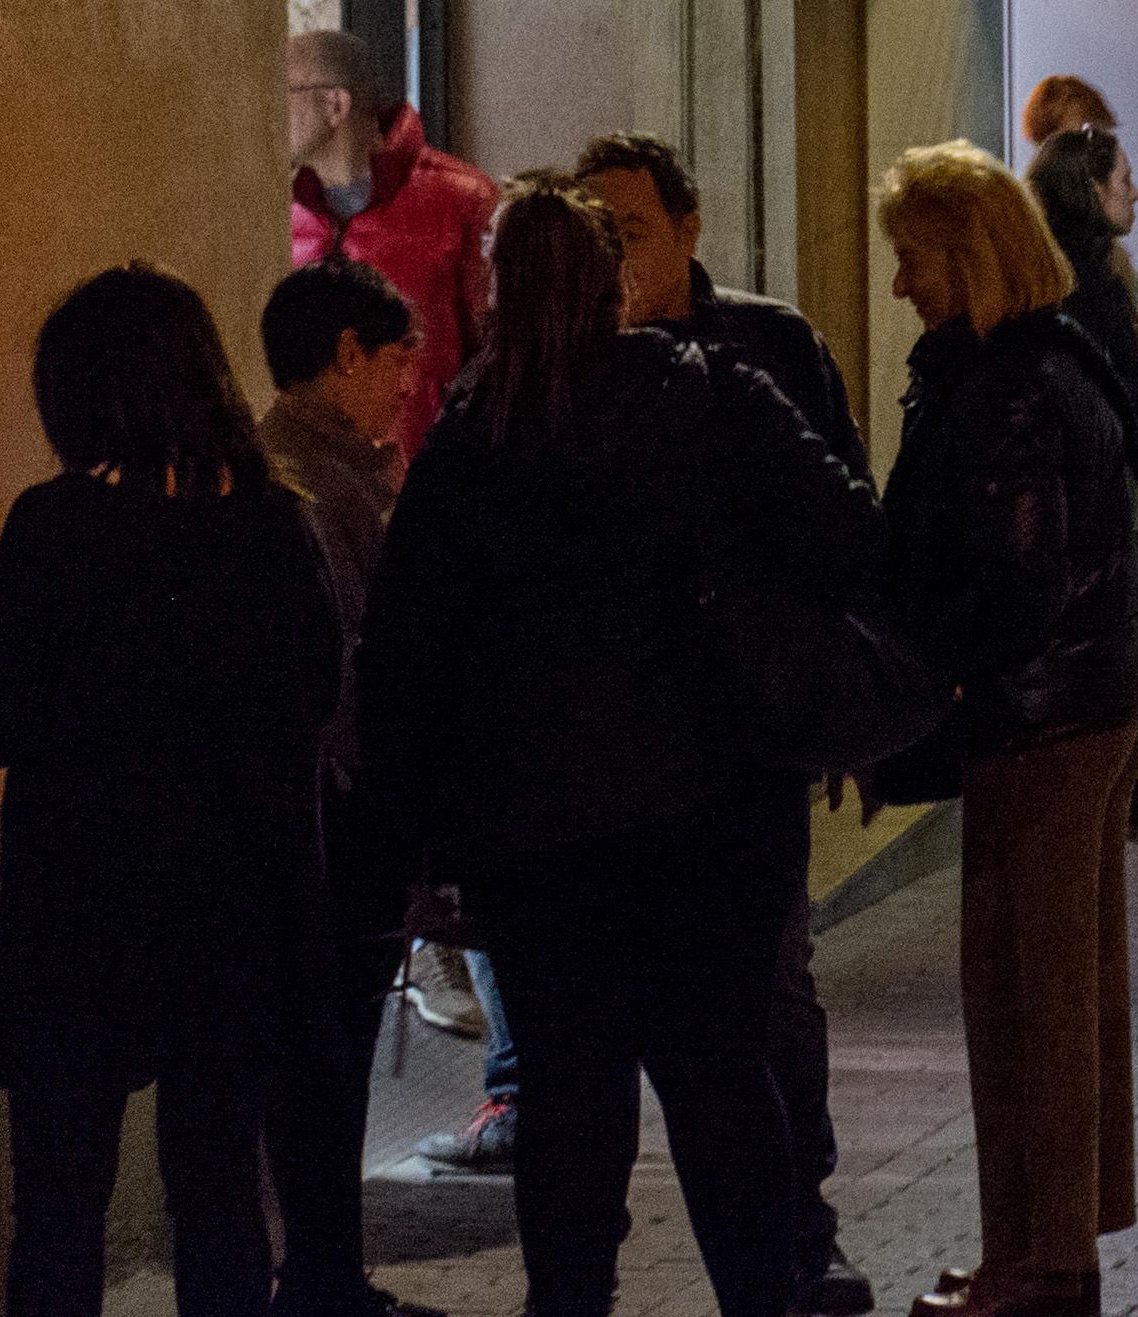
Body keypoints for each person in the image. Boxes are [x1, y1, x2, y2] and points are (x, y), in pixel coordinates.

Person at [359, 184, 881, 1317]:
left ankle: (571, 1308)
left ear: (499, 297)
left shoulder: (470, 442)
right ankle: (761, 1293)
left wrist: (406, 843)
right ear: (612, 290)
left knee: (568, 1099)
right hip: (717, 813)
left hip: (539, 838)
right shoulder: (715, 401)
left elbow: (407, 658)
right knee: (720, 1081)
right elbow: (845, 534)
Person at [0, 266, 342, 1317]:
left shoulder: (51, 529)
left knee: (58, 1213)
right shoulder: (274, 528)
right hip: (233, 917)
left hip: (76, 916)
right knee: (220, 1202)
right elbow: (317, 694)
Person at [575, 134, 887, 1303]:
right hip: (600, 778)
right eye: (593, 233)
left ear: (689, 229)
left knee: (768, 995)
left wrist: (837, 707)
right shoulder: (543, 372)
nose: (615, 259)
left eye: (635, 230)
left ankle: (803, 1233)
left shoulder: (762, 350)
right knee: (617, 1048)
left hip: (738, 748)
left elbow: (843, 531)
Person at [862, 147, 1138, 1317]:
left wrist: (914, 687)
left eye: (911, 260)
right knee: (1058, 995)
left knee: (1028, 1000)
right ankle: (1040, 1254)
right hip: (1082, 706)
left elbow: (1012, 581)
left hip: (1042, 719)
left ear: (966, 255)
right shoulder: (1052, 359)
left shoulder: (1010, 384)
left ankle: (1038, 1267)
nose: (899, 287)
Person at [255, 262, 434, 1317]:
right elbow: (352, 662)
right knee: (323, 1054)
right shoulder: (306, 488)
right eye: (397, 356)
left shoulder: (350, 470)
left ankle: (325, 1268)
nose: (412, 377)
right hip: (338, 816)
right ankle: (320, 1272)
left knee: (333, 1052)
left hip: (345, 813)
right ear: (344, 356)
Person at [286, 27, 493, 454]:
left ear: (335, 104)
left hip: (426, 479)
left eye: (285, 92)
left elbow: (495, 354)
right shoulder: (282, 214)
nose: (271, 113)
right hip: (316, 485)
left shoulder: (461, 200)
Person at [1020, 122, 1138, 369]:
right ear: (1096, 190)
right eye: (1125, 181)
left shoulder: (1042, 273)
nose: (1135, 194)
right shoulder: (1085, 289)